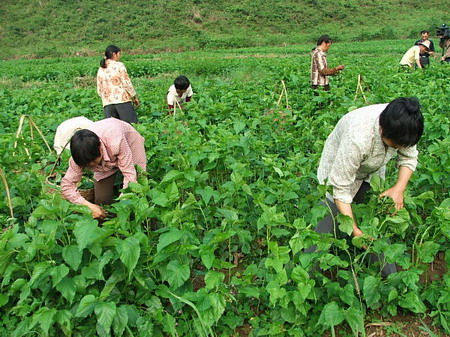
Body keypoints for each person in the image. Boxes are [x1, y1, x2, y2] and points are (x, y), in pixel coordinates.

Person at [307, 97, 424, 277]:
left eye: (403, 146)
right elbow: (340, 188)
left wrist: (399, 189)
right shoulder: (357, 137)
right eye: (394, 146)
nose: (399, 149)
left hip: (372, 171)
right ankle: (307, 275)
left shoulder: (407, 124)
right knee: (326, 224)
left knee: (374, 220)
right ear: (382, 129)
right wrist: (354, 231)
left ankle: (388, 278)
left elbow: (409, 157)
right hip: (339, 170)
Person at [61, 118, 146, 219]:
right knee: (102, 200)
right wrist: (89, 206)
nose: (92, 165)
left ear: (100, 148)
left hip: (130, 141)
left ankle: (139, 219)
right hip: (106, 153)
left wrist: (123, 205)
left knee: (139, 182)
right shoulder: (80, 155)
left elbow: (129, 175)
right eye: (88, 165)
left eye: (93, 161)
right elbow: (67, 186)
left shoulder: (116, 141)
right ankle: (110, 223)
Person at [96, 45, 140, 124]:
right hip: (122, 100)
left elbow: (99, 89)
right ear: (114, 54)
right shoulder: (119, 65)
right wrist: (134, 96)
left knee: (114, 129)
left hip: (107, 103)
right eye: (119, 54)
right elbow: (127, 83)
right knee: (131, 127)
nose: (119, 56)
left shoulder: (101, 69)